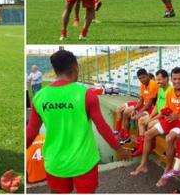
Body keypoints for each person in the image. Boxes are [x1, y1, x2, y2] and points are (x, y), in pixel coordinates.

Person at [26, 50, 129, 193]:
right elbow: (102, 127)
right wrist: (119, 148)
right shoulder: (85, 94)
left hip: (55, 161)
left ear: (55, 71)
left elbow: (30, 133)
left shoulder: (39, 97)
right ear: (76, 68)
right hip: (84, 161)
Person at [130, 67, 180, 188]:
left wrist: (179, 115)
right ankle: (143, 164)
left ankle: (167, 171)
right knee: (148, 134)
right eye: (175, 79)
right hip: (170, 119)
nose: (177, 81)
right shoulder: (170, 92)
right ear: (171, 79)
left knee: (169, 138)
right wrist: (164, 115)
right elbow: (167, 108)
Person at [132, 68, 171, 157]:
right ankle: (142, 146)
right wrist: (150, 117)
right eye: (157, 80)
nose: (158, 82)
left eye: (160, 80)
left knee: (149, 124)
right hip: (159, 115)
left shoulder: (170, 91)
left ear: (166, 79)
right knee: (141, 120)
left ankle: (150, 146)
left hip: (166, 117)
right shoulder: (161, 89)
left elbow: (163, 112)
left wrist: (151, 119)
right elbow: (157, 106)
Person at [115, 68, 158, 143]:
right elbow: (141, 100)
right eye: (140, 78)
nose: (142, 80)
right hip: (145, 106)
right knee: (126, 113)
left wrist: (139, 112)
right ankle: (126, 135)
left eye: (143, 77)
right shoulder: (142, 85)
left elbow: (150, 103)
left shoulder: (153, 84)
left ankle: (139, 142)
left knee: (138, 117)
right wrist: (135, 109)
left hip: (151, 108)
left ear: (147, 75)